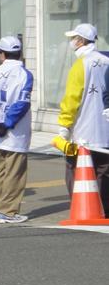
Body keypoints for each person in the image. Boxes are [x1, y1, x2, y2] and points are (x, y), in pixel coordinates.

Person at [57, 23, 109, 214]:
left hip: (82, 131)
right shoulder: (106, 60)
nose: (72, 42)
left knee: (75, 169)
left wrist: (64, 124)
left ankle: (83, 208)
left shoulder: (81, 64)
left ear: (81, 41)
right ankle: (104, 209)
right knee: (104, 171)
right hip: (105, 131)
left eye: (74, 38)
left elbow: (72, 98)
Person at [0, 36, 33, 224]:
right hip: (16, 133)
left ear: (2, 54)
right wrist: (8, 123)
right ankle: (9, 212)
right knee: (15, 174)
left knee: (0, 172)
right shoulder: (25, 74)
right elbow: (22, 103)